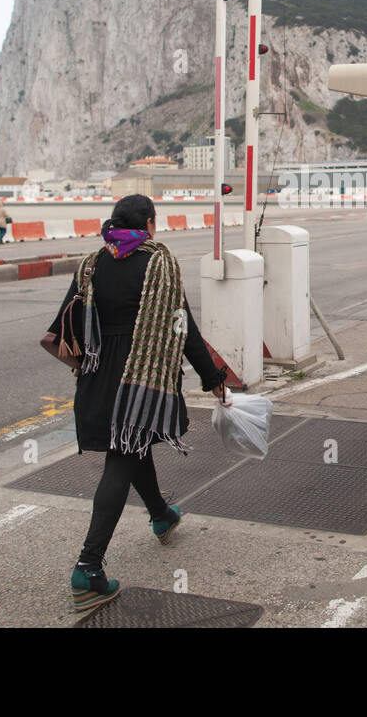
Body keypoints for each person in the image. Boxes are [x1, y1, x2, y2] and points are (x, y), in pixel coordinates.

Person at [40, 194, 227, 613]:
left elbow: (60, 328)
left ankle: (161, 514)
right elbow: (184, 329)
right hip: (141, 378)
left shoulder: (92, 264)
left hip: (97, 376)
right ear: (148, 223)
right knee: (121, 459)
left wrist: (85, 365)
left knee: (129, 448)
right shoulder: (158, 264)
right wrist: (213, 378)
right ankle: (87, 569)